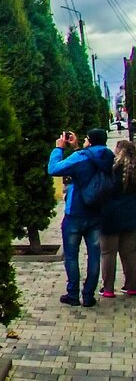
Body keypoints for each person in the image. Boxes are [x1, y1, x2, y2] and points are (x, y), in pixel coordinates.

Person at [48, 128, 116, 306]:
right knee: (94, 255)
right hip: (96, 212)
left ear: (90, 141)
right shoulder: (108, 157)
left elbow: (53, 169)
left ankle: (73, 294)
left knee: (71, 256)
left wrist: (59, 149)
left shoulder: (81, 158)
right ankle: (88, 296)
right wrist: (77, 147)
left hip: (75, 212)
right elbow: (91, 163)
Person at [100, 138, 136, 297]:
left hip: (111, 216)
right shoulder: (133, 170)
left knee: (108, 253)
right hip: (132, 216)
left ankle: (108, 289)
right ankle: (132, 286)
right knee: (130, 253)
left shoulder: (113, 169)